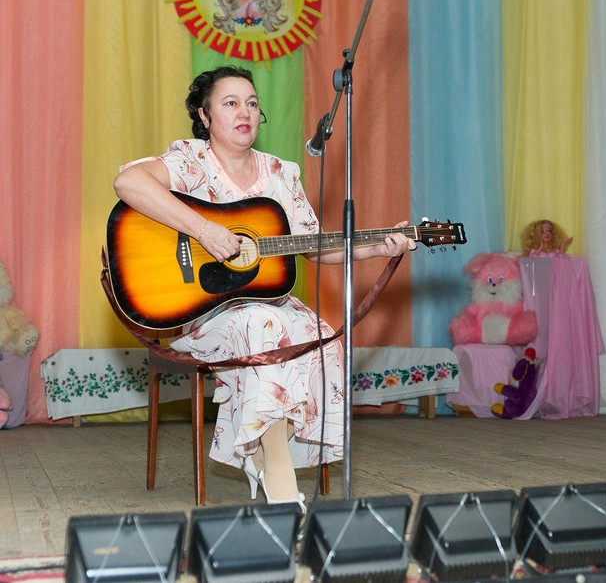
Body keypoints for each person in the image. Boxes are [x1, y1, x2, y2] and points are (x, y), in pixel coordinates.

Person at [113, 66, 415, 504]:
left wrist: (376, 249)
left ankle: (261, 455)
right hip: (201, 309)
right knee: (262, 326)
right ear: (205, 115)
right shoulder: (189, 162)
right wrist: (204, 231)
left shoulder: (281, 174)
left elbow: (313, 246)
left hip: (267, 304)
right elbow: (128, 182)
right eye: (230, 103)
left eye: (252, 103)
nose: (245, 112)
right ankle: (280, 481)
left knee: (323, 338)